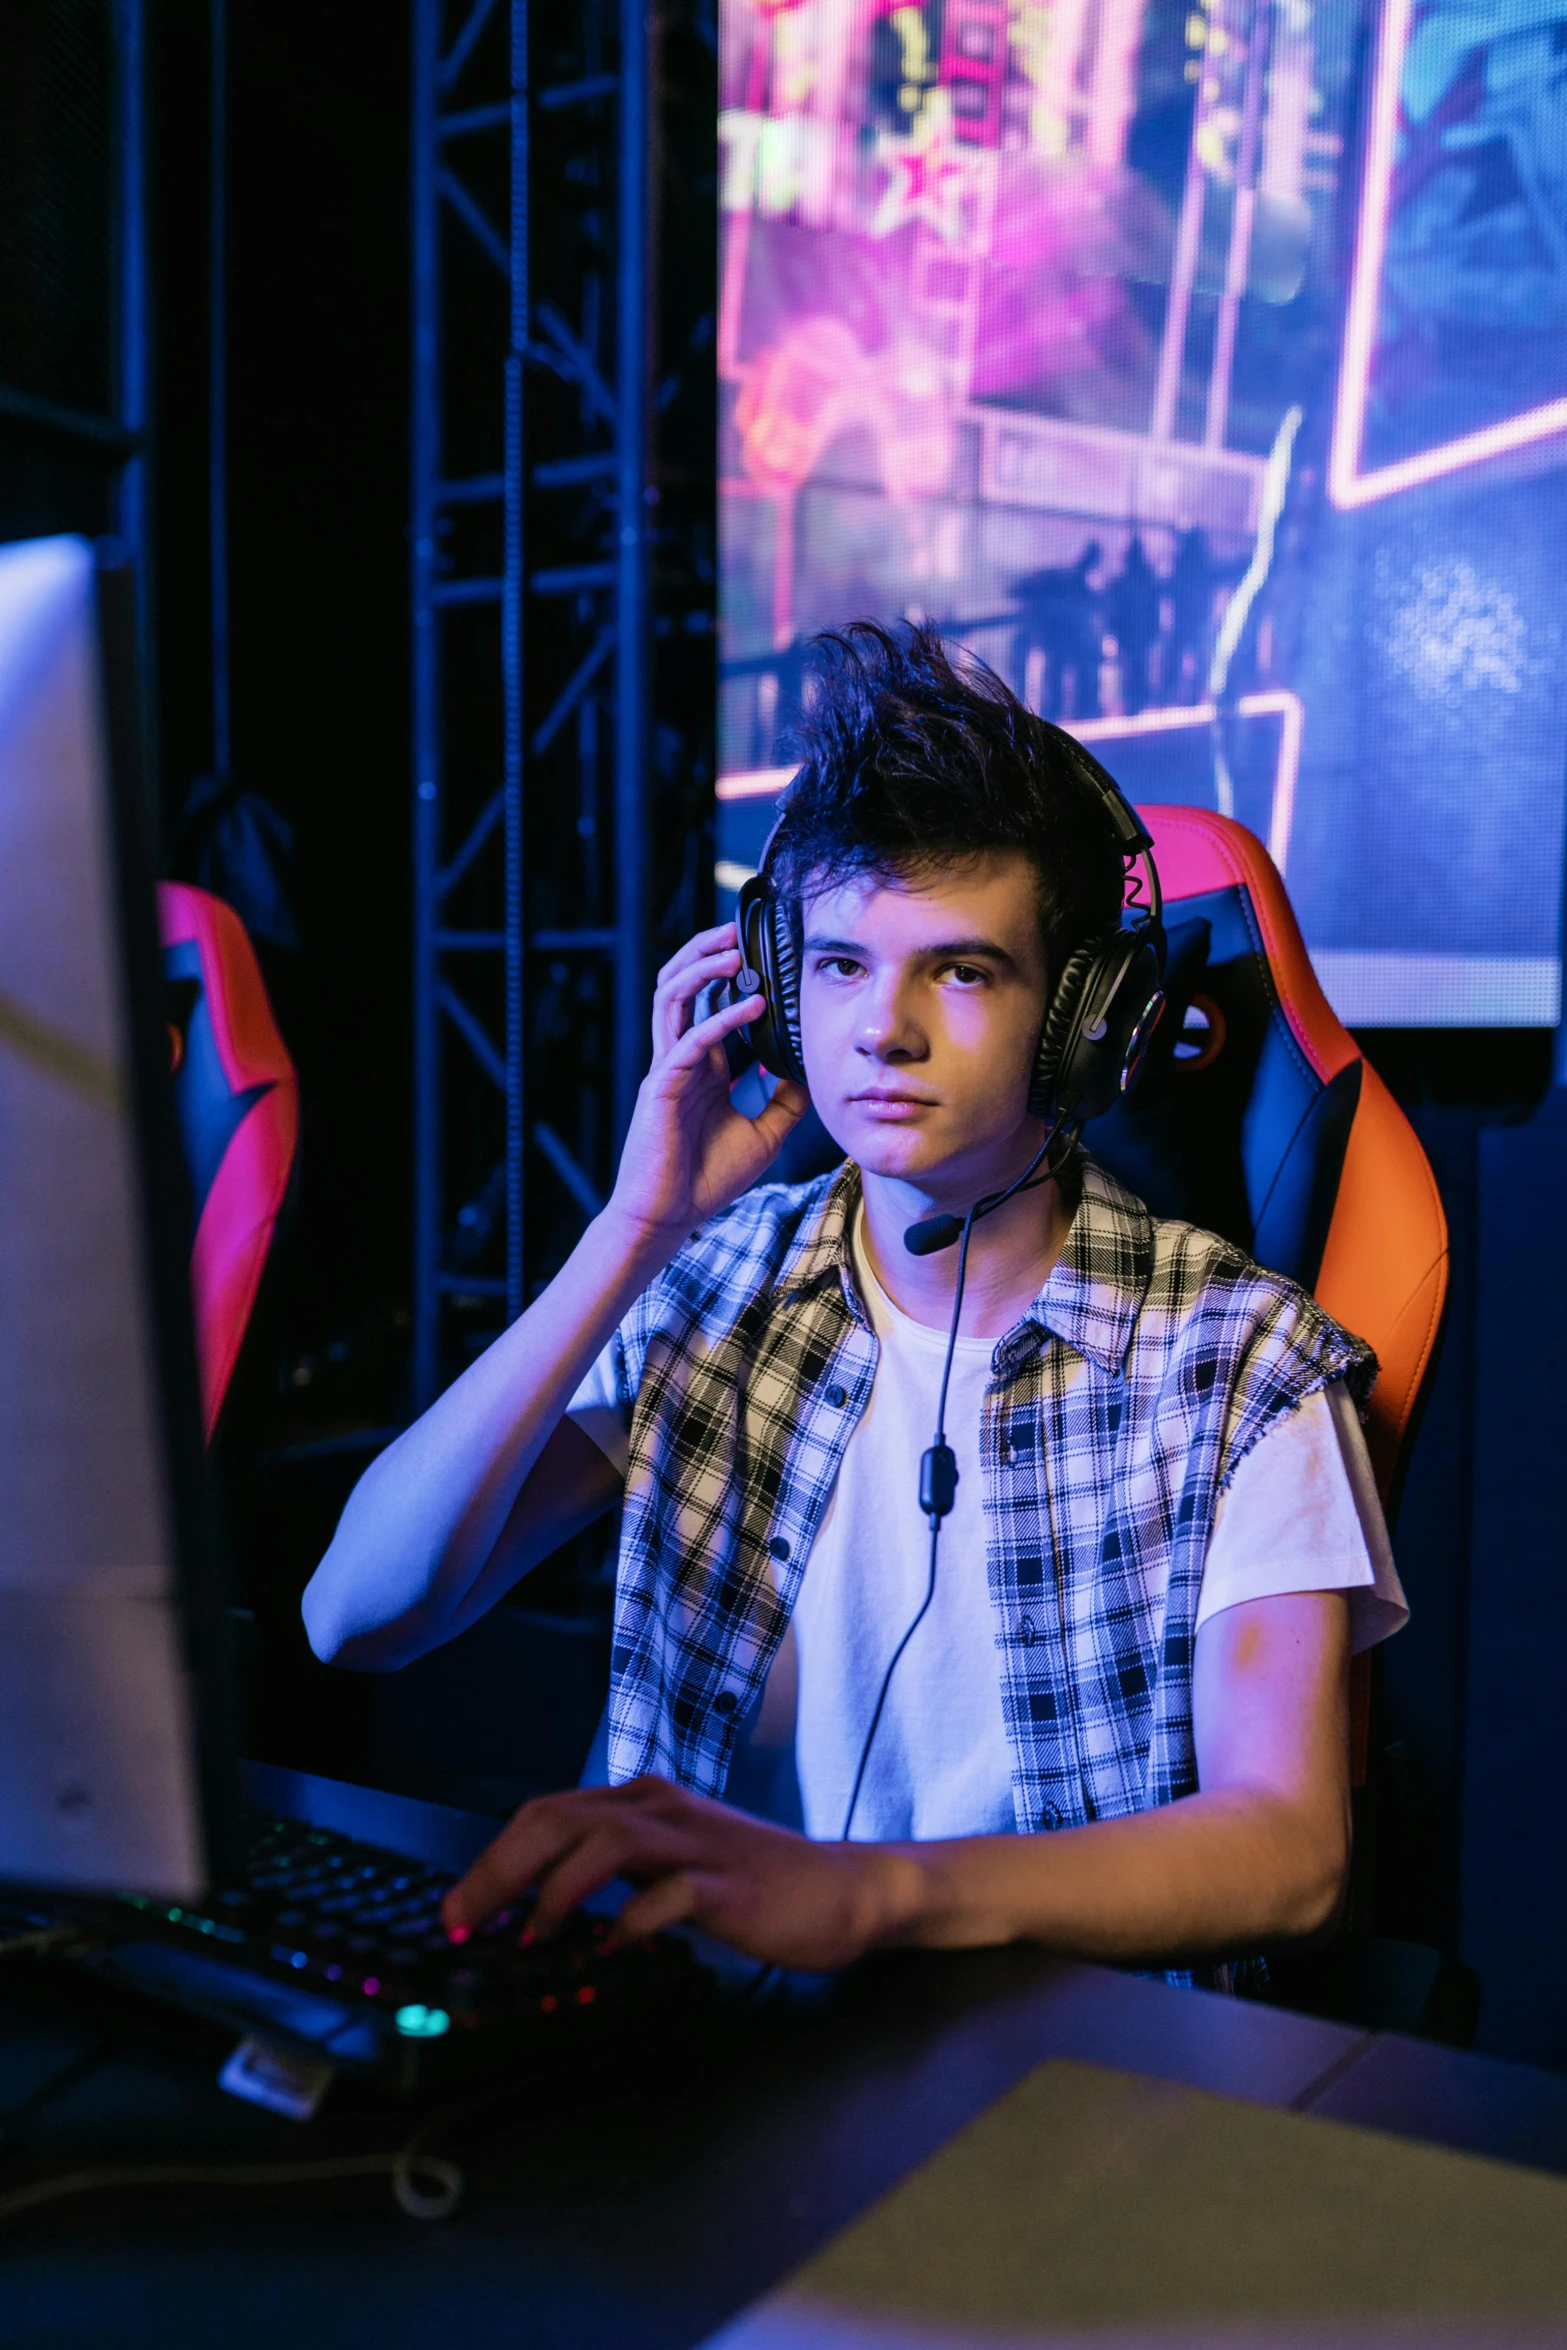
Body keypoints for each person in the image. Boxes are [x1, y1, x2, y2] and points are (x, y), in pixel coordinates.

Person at [303, 623, 1405, 1982]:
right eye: (836, 964)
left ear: (1084, 1018)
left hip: (1061, 2089)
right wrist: (635, 1228)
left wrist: (864, 1892)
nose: (879, 1028)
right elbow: (356, 1616)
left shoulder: (1240, 1360)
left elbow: (1285, 1851)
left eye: (957, 969)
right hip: (685, 2062)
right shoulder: (704, 1286)